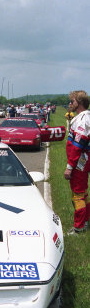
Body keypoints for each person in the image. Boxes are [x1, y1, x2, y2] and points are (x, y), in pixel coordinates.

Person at [64, 90, 90, 234]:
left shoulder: (82, 119)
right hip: (84, 160)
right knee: (83, 193)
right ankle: (85, 221)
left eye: (72, 101)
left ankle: (79, 227)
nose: (70, 104)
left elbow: (78, 145)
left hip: (80, 161)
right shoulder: (85, 117)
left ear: (79, 103)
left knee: (78, 194)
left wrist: (69, 166)